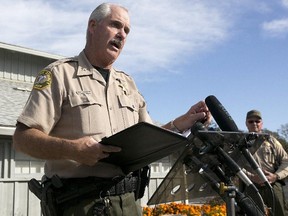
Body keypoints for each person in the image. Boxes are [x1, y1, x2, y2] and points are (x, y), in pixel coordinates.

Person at [12, 3, 211, 216]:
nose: (122, 35)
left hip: (129, 204)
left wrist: (184, 121)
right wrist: (72, 150)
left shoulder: (127, 84)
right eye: (116, 25)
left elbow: (149, 139)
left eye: (126, 30)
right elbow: (22, 139)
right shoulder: (60, 75)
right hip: (80, 205)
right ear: (93, 26)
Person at [245, 109, 288, 216]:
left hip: (272, 184)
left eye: (257, 121)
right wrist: (251, 176)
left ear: (261, 123)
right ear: (246, 123)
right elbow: (236, 165)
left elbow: (286, 161)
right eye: (251, 121)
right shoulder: (241, 143)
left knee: (280, 213)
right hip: (251, 185)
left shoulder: (271, 140)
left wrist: (276, 176)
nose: (254, 123)